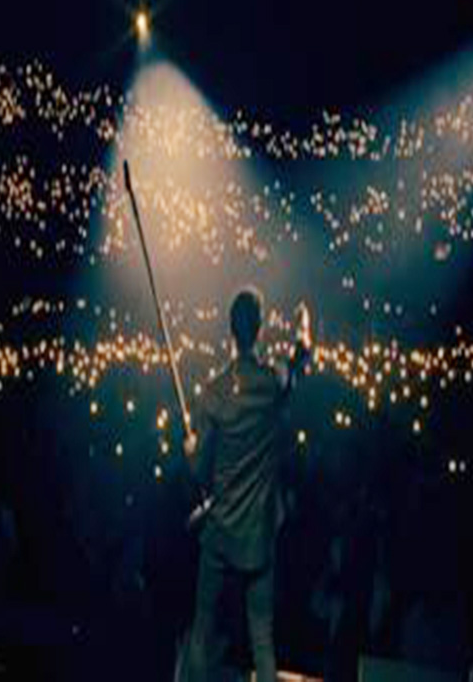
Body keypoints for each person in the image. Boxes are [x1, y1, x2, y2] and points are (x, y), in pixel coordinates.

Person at [183, 288, 310, 682]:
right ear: (258, 329)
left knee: (202, 629)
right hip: (258, 533)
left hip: (221, 530)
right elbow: (301, 358)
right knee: (262, 638)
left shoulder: (212, 392)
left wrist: (190, 449)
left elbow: (199, 471)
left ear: (230, 330)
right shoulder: (273, 382)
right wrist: (304, 329)